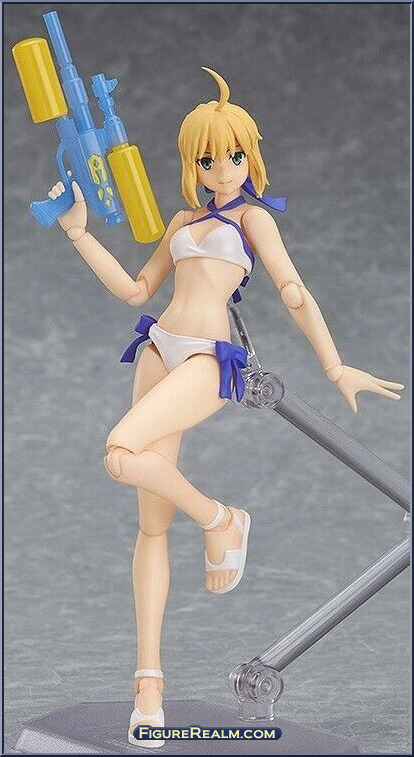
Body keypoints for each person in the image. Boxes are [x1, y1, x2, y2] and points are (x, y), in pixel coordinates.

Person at [47, 68, 403, 748]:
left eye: (232, 155)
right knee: (151, 528)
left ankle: (220, 518)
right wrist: (79, 234)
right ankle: (148, 686)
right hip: (158, 348)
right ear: (193, 164)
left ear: (250, 156)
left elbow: (293, 291)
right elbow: (137, 289)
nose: (221, 169)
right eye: (207, 159)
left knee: (120, 453)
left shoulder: (252, 219)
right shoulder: (184, 220)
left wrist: (335, 366)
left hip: (210, 360)